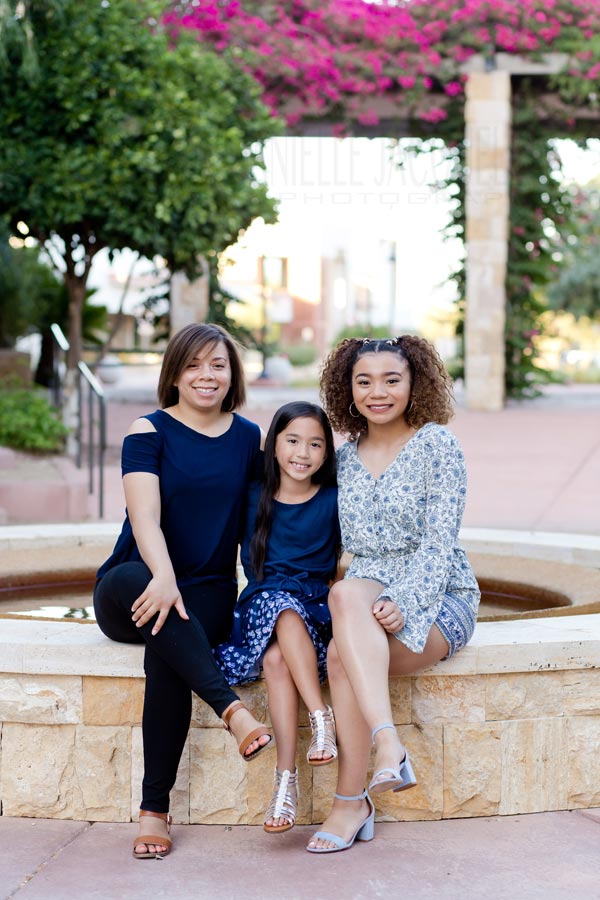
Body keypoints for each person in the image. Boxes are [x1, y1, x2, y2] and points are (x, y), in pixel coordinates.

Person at [93, 323, 273, 860]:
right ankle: (233, 712)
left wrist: (266, 597)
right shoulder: (147, 431)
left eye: (218, 364)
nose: (206, 375)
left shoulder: (247, 438)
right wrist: (164, 576)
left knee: (169, 646)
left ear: (232, 374)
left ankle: (154, 812)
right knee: (150, 598)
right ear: (174, 373)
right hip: (136, 584)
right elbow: (143, 514)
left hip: (208, 592)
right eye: (194, 364)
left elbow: (251, 528)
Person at [305, 336, 480, 853]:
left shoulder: (437, 445)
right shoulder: (343, 458)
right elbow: (330, 542)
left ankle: (350, 801)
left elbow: (440, 539)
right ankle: (387, 744)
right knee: (343, 600)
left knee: (340, 656)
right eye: (364, 381)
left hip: (439, 591)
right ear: (348, 389)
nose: (376, 392)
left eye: (391, 380)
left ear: (414, 384)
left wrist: (405, 599)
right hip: (365, 593)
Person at [215, 401, 340, 834]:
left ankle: (285, 782)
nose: (302, 453)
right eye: (292, 441)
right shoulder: (254, 497)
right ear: (273, 446)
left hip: (314, 619)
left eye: (315, 444)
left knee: (275, 660)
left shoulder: (332, 501)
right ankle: (320, 717)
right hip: (261, 612)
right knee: (277, 608)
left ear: (327, 454)